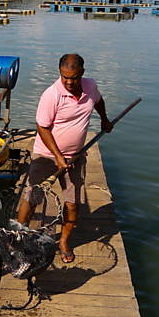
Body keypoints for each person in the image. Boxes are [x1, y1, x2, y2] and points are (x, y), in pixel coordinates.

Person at [16, 53, 113, 263]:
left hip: (76, 156)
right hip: (46, 155)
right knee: (31, 197)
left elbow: (98, 101)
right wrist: (58, 157)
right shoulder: (51, 95)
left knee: (72, 203)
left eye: (74, 78)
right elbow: (42, 127)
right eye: (65, 77)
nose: (69, 82)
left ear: (82, 73)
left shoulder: (90, 86)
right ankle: (18, 238)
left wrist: (104, 120)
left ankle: (64, 242)